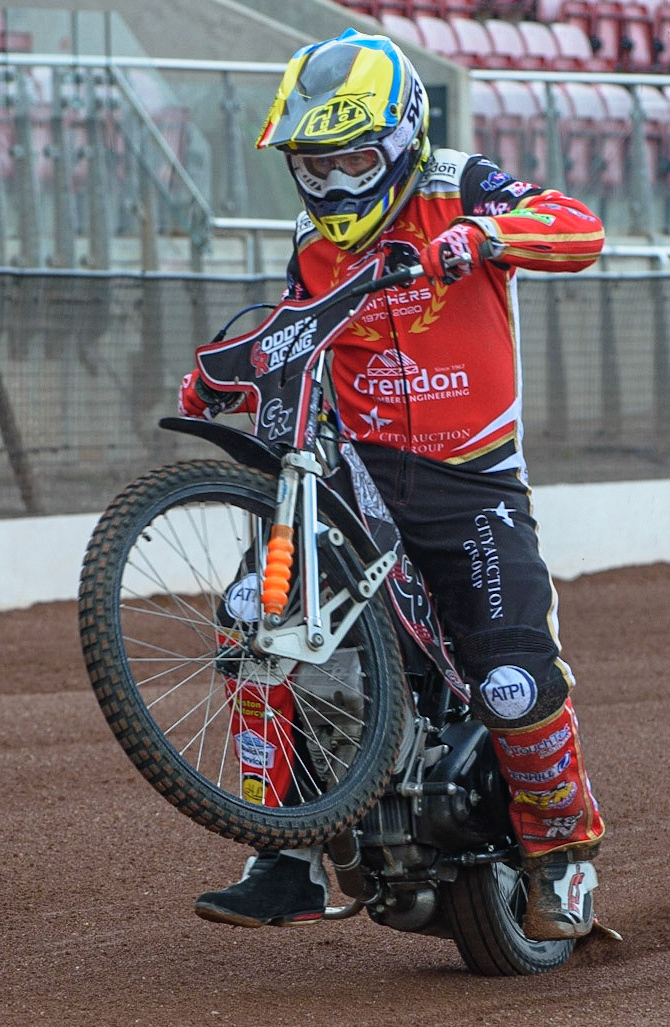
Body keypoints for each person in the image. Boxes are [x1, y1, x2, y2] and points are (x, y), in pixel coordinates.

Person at [177, 28, 607, 941]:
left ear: (404, 141)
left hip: (470, 479)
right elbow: (297, 338)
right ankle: (284, 856)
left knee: (514, 681)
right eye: (314, 167)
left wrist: (485, 236)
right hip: (354, 477)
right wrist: (226, 378)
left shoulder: (461, 184)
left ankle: (561, 854)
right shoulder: (310, 244)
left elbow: (581, 228)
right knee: (253, 621)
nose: (335, 186)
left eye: (355, 162)